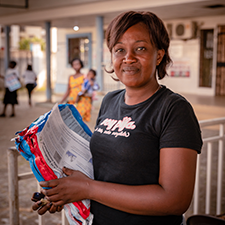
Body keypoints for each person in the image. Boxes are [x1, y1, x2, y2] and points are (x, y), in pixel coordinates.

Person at [32, 11, 203, 225]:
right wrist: (66, 192)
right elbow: (105, 172)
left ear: (159, 55)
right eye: (119, 49)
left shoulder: (174, 110)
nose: (128, 58)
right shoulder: (110, 101)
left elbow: (174, 199)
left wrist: (88, 188)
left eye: (140, 48)